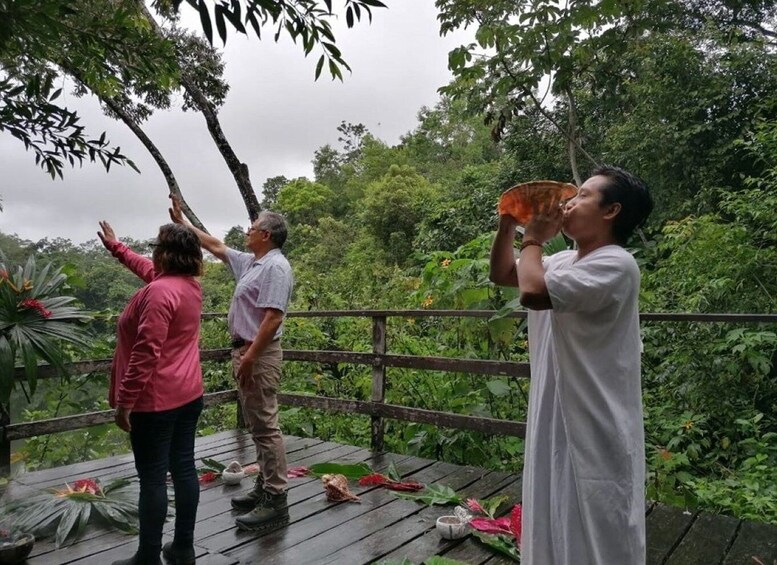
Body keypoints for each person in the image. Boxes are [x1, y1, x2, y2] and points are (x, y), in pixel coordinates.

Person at [489, 166, 654, 565]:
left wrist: (533, 239)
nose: (568, 203)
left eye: (582, 195)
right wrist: (510, 224)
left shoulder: (616, 264)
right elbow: (504, 274)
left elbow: (532, 292)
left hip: (595, 417)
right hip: (555, 410)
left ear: (611, 211)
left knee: (598, 519)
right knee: (552, 508)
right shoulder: (563, 260)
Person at [168, 198, 294, 533]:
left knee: (266, 426)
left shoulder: (275, 268)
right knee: (257, 424)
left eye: (252, 228)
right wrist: (184, 224)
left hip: (259, 354)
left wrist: (250, 358)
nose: (246, 231)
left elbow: (272, 318)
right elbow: (215, 245)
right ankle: (265, 486)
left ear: (265, 234)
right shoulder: (253, 263)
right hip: (247, 353)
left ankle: (277, 499)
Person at [99, 221, 204, 565]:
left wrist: (124, 402)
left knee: (153, 479)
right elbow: (150, 271)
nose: (153, 252)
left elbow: (147, 351)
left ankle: (147, 557)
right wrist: (118, 248)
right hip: (188, 395)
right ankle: (183, 548)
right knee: (185, 469)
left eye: (157, 246)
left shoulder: (159, 293)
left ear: (164, 254)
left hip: (155, 402)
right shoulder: (187, 286)